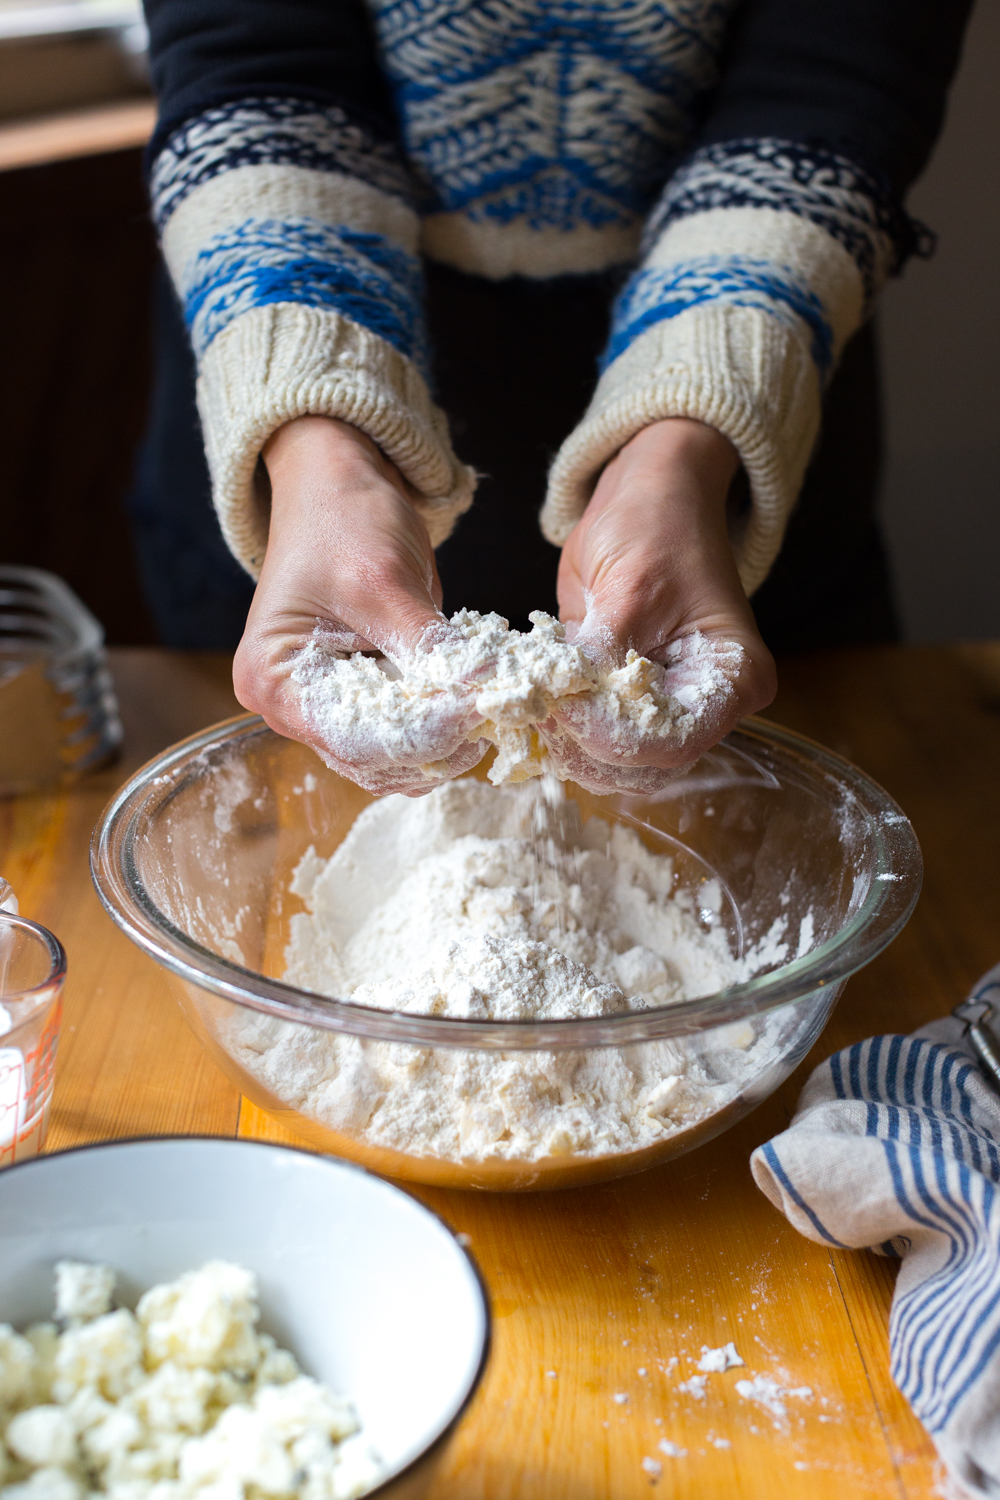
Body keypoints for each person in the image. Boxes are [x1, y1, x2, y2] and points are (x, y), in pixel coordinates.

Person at [135, 0, 970, 792]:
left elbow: (829, 101)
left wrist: (681, 451)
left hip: (737, 423)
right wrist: (321, 451)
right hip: (297, 393)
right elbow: (254, 74)